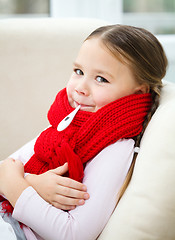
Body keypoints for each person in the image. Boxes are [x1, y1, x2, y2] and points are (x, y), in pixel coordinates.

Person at [0, 24, 167, 240]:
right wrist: (32, 184)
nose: (80, 87)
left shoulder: (116, 150)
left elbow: (73, 234)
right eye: (79, 71)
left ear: (139, 92)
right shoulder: (64, 126)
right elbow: (6, 170)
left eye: (101, 79)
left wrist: (16, 186)